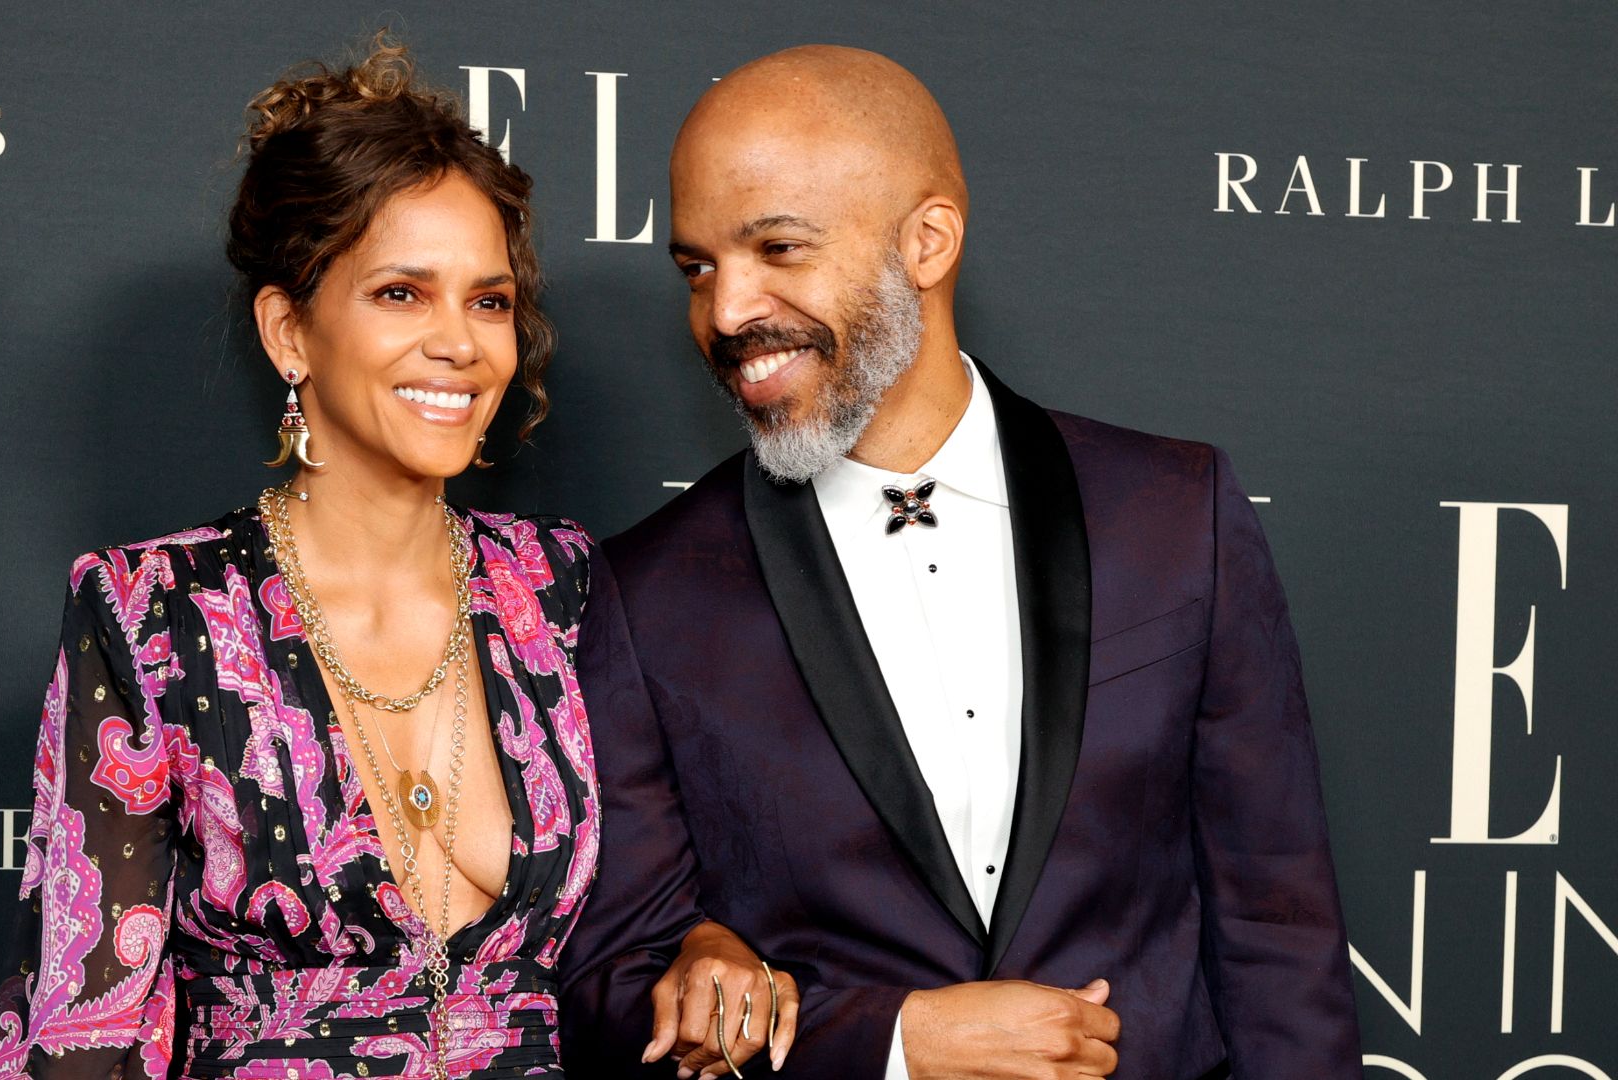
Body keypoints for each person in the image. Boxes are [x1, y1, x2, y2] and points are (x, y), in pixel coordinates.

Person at [0, 39, 793, 1080]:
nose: (460, 342)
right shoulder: (154, 613)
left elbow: (672, 910)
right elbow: (81, 1025)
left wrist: (709, 944)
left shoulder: (568, 588)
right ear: (290, 332)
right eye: (402, 293)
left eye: (489, 300)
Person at [561, 45, 1362, 1080]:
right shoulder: (649, 591)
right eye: (699, 266)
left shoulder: (1176, 513)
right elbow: (616, 990)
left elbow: (1278, 927)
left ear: (928, 241)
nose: (725, 312)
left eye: (779, 250)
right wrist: (897, 1042)